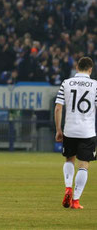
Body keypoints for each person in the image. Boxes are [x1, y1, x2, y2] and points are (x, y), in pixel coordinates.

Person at [55, 56, 97, 209]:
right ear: (90, 69)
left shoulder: (66, 83)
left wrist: (59, 129)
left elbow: (58, 107)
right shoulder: (95, 85)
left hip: (70, 129)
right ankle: (76, 200)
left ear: (77, 68)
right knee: (84, 165)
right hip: (87, 131)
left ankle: (68, 188)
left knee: (69, 160)